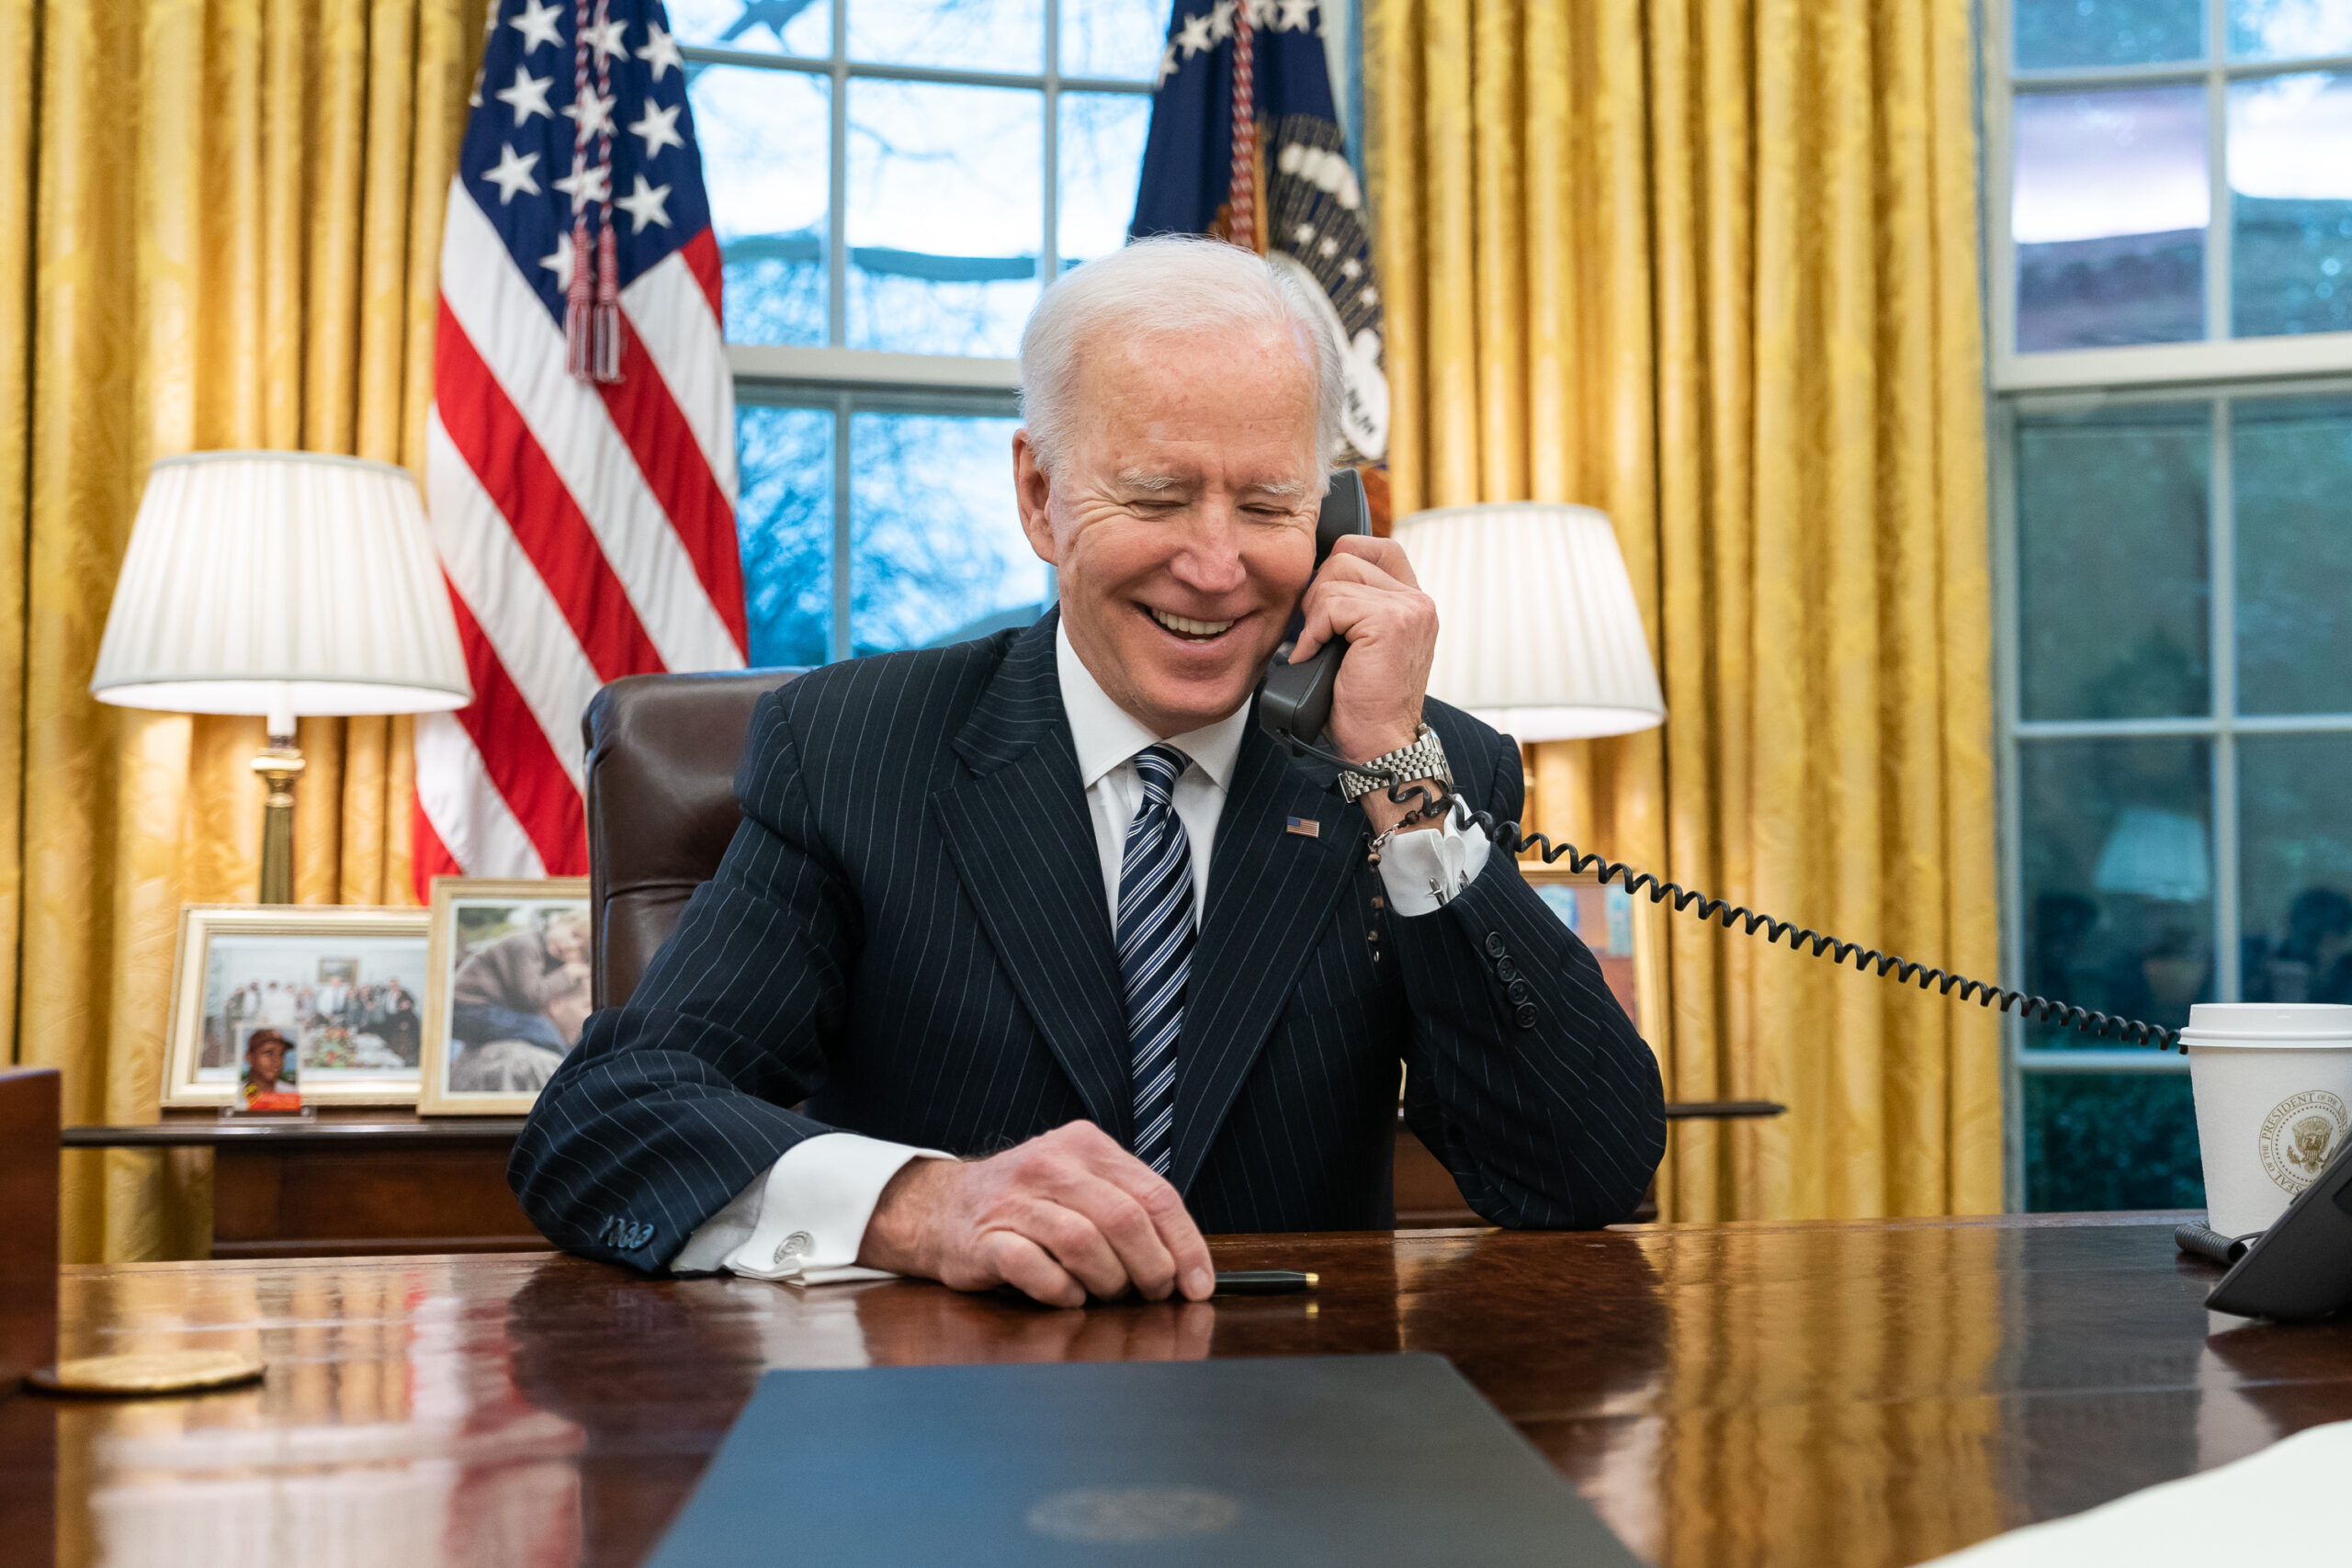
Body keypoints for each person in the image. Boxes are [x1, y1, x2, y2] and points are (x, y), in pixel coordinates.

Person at [510, 236, 1667, 1306]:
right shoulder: (855, 748)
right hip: (951, 1439)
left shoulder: (1417, 765)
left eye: (1268, 505)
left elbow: (1580, 1175)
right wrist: (923, 1206)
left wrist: (1401, 790)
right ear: (1039, 497)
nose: (1215, 567)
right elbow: (607, 1123)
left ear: (1333, 519)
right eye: (1157, 497)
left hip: (1304, 1431)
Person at [447, 909, 593, 1093]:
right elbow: (529, 998)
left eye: (581, 951)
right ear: (559, 921)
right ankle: (567, 1066)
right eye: (574, 934)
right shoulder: (525, 946)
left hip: (477, 1010)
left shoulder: (538, 952)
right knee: (540, 1027)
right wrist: (567, 974)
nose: (571, 946)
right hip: (467, 1007)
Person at [240, 1028, 300, 1112]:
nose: (277, 1061)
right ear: (249, 1057)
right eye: (268, 1052)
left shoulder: (292, 1093)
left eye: (281, 1054)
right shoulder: (234, 1095)